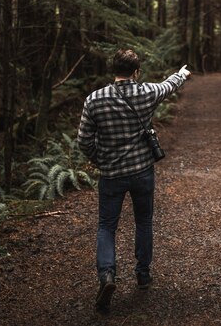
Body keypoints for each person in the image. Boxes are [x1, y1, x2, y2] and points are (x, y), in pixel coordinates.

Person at [77, 49, 191, 310]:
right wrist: (182, 73)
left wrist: (101, 159)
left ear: (113, 70)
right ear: (136, 72)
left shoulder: (94, 99)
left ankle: (107, 275)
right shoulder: (146, 92)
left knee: (107, 225)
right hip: (142, 171)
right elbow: (169, 85)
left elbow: (83, 141)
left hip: (111, 175)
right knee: (143, 221)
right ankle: (142, 274)